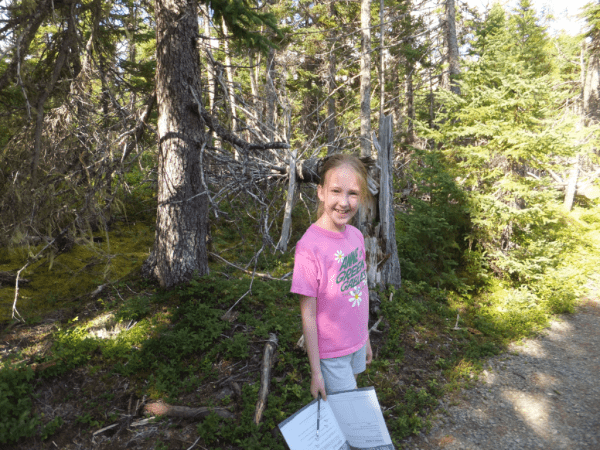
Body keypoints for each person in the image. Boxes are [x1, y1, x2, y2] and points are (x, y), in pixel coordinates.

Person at [291, 154, 373, 401]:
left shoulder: (356, 236)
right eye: (336, 191)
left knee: (346, 409)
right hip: (332, 354)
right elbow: (308, 315)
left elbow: (360, 292)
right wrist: (316, 372)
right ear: (321, 192)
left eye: (353, 193)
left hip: (356, 343)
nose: (344, 202)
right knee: (349, 415)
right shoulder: (309, 247)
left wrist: (365, 338)